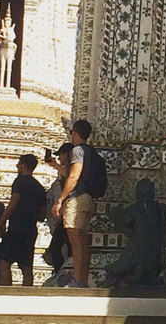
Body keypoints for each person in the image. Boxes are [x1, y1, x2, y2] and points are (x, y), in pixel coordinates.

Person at [52, 120, 94, 288]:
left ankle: (78, 280)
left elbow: (74, 176)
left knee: (75, 242)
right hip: (87, 198)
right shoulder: (90, 152)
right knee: (82, 242)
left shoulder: (77, 150)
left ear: (75, 133)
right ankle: (82, 279)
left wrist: (61, 199)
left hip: (76, 199)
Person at [0, 153, 47, 286]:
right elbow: (42, 214)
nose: (17, 166)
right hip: (30, 229)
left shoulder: (20, 182)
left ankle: (6, 294)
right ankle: (27, 295)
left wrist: (0, 223)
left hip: (17, 228)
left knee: (4, 263)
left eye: (19, 164)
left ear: (24, 165)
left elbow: (13, 205)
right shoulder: (39, 188)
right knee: (26, 267)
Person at [44, 143, 73, 275]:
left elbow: (68, 175)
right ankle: (62, 271)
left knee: (58, 247)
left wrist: (55, 165)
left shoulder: (72, 169)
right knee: (63, 246)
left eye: (60, 155)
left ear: (65, 155)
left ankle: (62, 272)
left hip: (69, 215)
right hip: (65, 216)